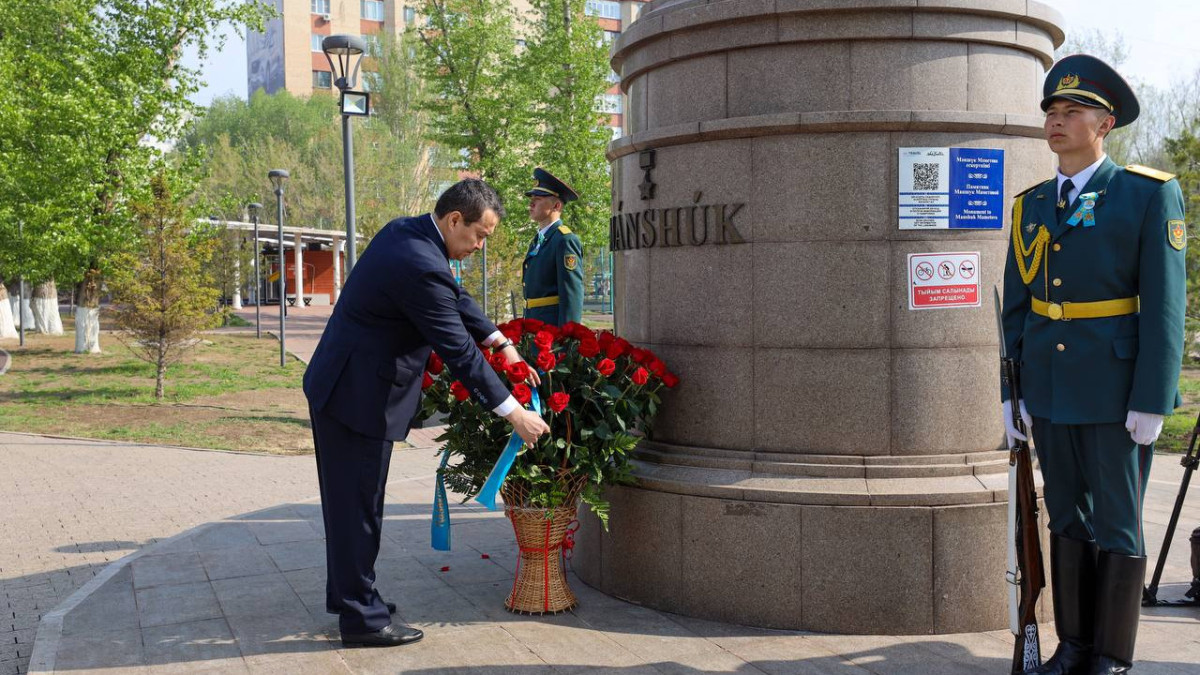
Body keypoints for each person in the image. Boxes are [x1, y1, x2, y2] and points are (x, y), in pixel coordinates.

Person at [303, 179, 550, 647]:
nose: (479, 246)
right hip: (357, 398)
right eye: (480, 235)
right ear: (455, 219)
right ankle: (363, 620)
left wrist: (501, 341)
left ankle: (351, 594)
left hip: (347, 387)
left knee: (350, 503)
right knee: (358, 508)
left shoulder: (410, 234)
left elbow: (454, 300)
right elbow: (457, 349)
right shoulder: (419, 263)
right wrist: (513, 412)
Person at [1001, 54, 1186, 675]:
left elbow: (1164, 306)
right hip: (1050, 391)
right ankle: (1074, 645)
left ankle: (1111, 656)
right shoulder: (1031, 206)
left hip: (1115, 389)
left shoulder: (1146, 193)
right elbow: (1020, 307)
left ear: (1103, 123)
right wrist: (1012, 392)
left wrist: (1153, 397)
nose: (1056, 120)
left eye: (1071, 111)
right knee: (1066, 514)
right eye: (1051, 111)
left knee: (1117, 520)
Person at [523, 167, 584, 326]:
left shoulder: (564, 240)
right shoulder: (538, 240)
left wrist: (566, 340)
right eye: (532, 198)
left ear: (556, 206)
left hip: (551, 335)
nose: (531, 203)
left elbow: (571, 295)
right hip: (534, 329)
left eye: (539, 198)